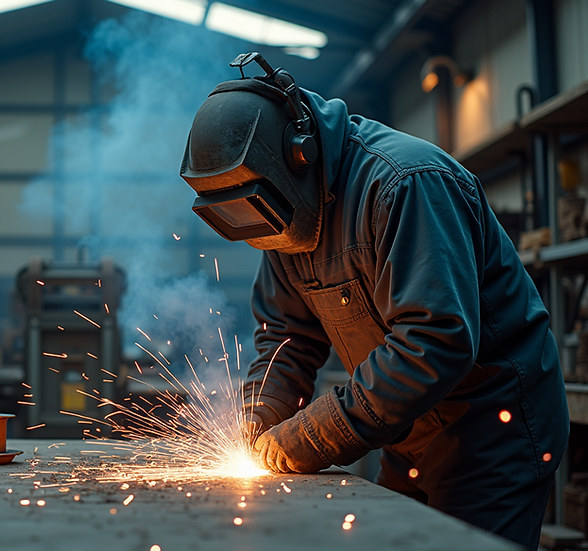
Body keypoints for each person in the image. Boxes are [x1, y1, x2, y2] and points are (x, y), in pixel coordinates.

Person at [179, 52, 568, 551]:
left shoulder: (407, 183)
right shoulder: (284, 215)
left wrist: (314, 436)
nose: (260, 232)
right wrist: (261, 414)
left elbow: (436, 339)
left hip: (492, 432)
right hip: (406, 430)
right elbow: (286, 337)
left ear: (300, 154)